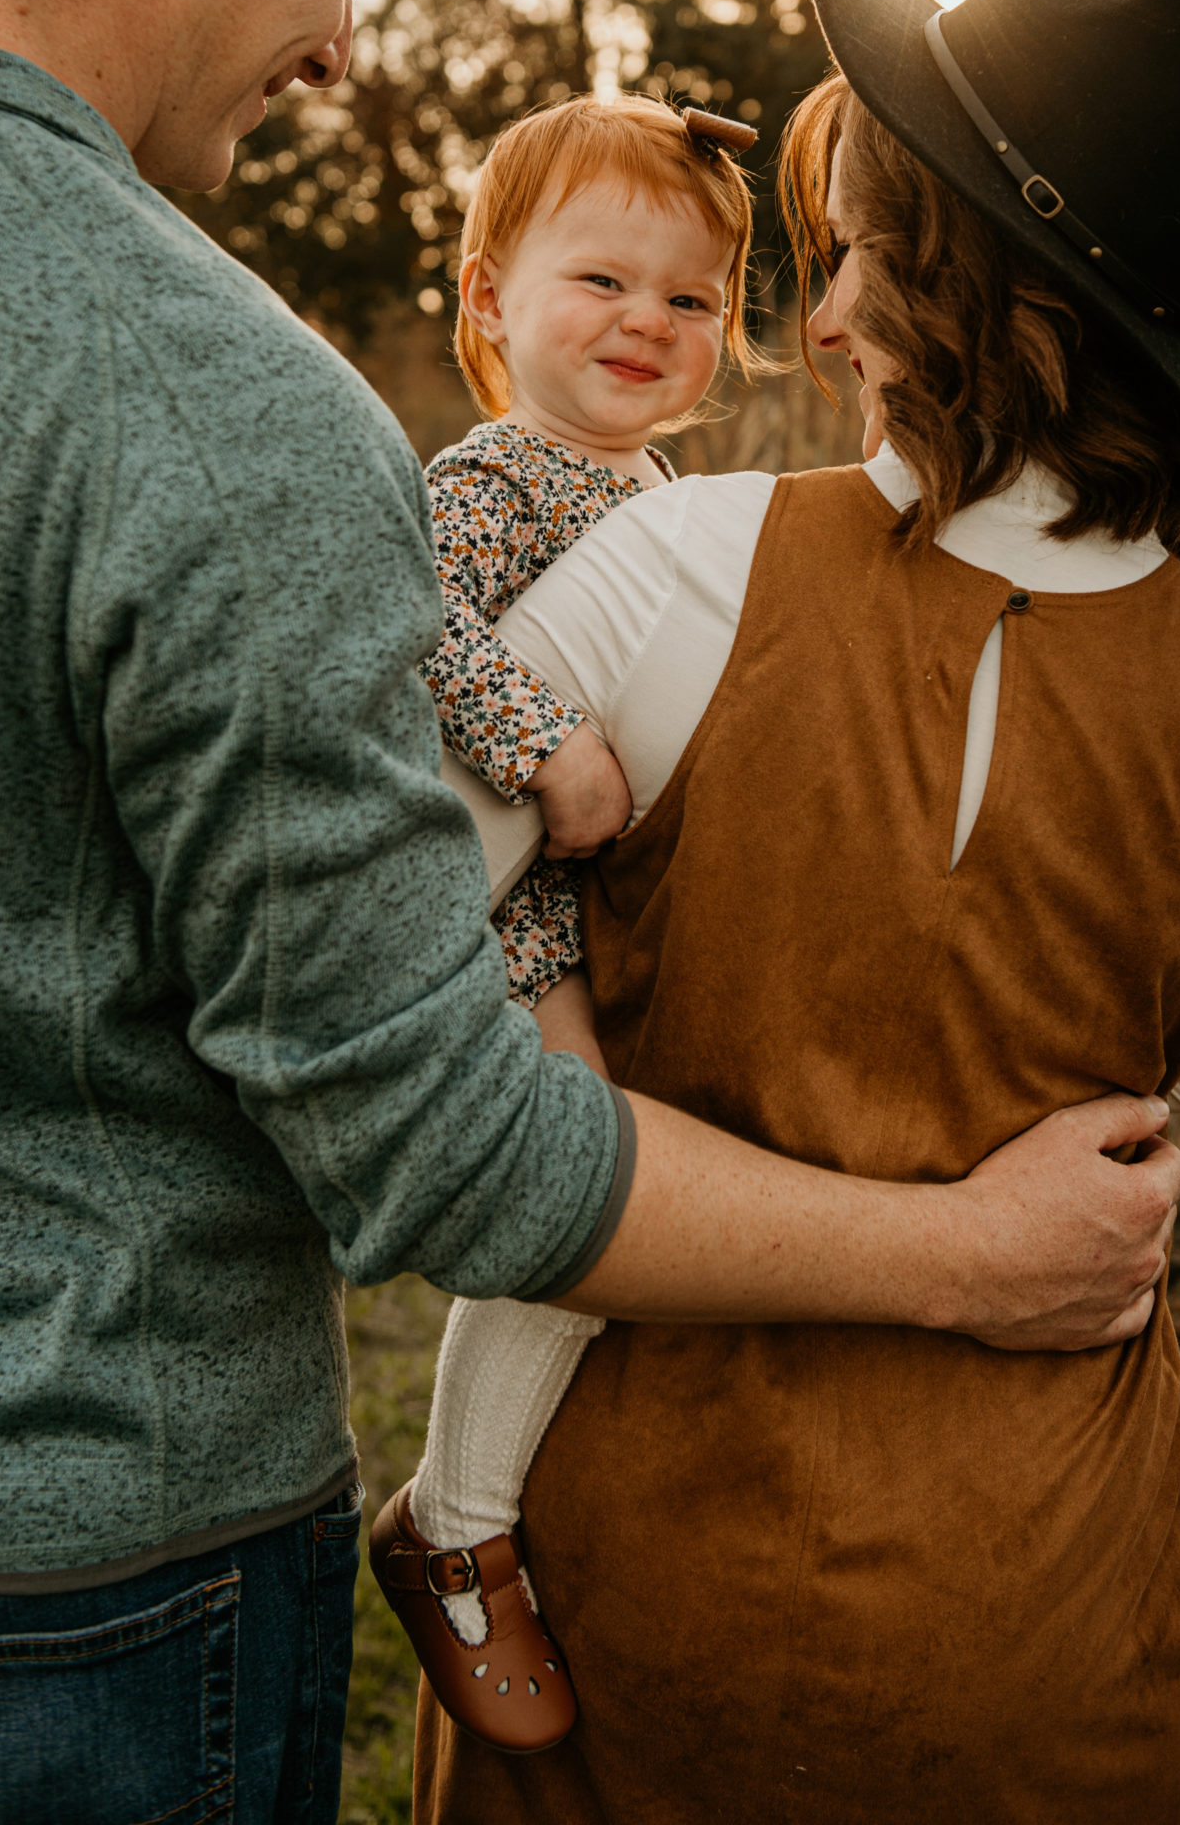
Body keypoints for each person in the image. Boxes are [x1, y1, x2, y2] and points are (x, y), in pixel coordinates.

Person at [0, 0, 1180, 1823]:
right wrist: (960, 1252)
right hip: (71, 1606)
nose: (344, 44)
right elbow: (439, 1141)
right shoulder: (219, 400)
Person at [413, 0, 1180, 1824]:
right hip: (1058, 1628)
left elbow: (393, 966)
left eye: (855, 256)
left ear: (980, 290)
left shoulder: (671, 571)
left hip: (640, 1610)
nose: (820, 316)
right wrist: (963, 1214)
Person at [370, 91, 761, 1749]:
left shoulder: (679, 495)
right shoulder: (488, 477)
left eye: (689, 301)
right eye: (600, 281)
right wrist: (546, 744)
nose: (645, 324)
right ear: (486, 300)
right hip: (514, 918)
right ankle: (455, 1519)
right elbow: (410, 628)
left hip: (625, 916)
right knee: (583, 1196)